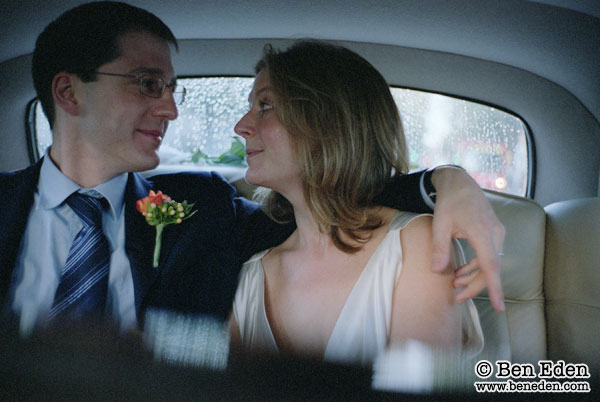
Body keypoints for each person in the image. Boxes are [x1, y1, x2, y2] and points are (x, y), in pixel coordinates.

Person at [0, 2, 502, 336]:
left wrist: (446, 183)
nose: (172, 110)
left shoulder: (206, 207)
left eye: (173, 89)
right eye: (149, 84)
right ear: (68, 92)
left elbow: (331, 205)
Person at [230, 41, 484, 365]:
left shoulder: (416, 245)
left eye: (265, 105)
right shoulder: (252, 276)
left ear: (327, 121)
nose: (241, 126)